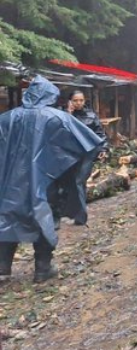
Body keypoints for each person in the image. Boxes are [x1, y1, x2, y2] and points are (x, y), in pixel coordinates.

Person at [0, 76, 103, 282]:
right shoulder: (58, 118)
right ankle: (42, 269)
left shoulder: (7, 118)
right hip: (46, 181)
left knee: (7, 217)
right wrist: (72, 174)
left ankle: (2, 266)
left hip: (11, 183)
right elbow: (89, 143)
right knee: (44, 219)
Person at [67, 89, 109, 156]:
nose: (78, 103)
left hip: (88, 151)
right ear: (70, 101)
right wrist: (69, 114)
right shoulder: (63, 115)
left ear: (84, 101)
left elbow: (100, 133)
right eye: (75, 100)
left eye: (81, 100)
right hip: (69, 152)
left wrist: (103, 148)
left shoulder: (91, 115)